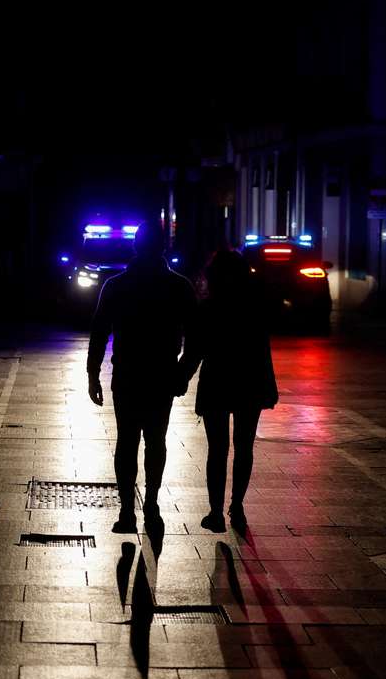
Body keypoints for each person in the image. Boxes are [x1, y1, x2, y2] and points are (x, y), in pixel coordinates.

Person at [87, 222, 197, 533]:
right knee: (156, 441)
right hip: (162, 373)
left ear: (136, 246)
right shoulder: (179, 286)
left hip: (127, 373)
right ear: (163, 246)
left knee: (127, 441)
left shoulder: (117, 285)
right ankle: (151, 501)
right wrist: (183, 372)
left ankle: (126, 510)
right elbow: (197, 336)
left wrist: (93, 373)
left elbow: (99, 332)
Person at [179, 248, 278, 533]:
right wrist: (268, 388)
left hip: (217, 384)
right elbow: (263, 351)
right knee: (244, 447)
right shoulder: (255, 307)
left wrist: (180, 378)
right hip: (250, 384)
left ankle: (215, 512)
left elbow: (194, 351)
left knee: (217, 450)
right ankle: (237, 506)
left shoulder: (208, 308)